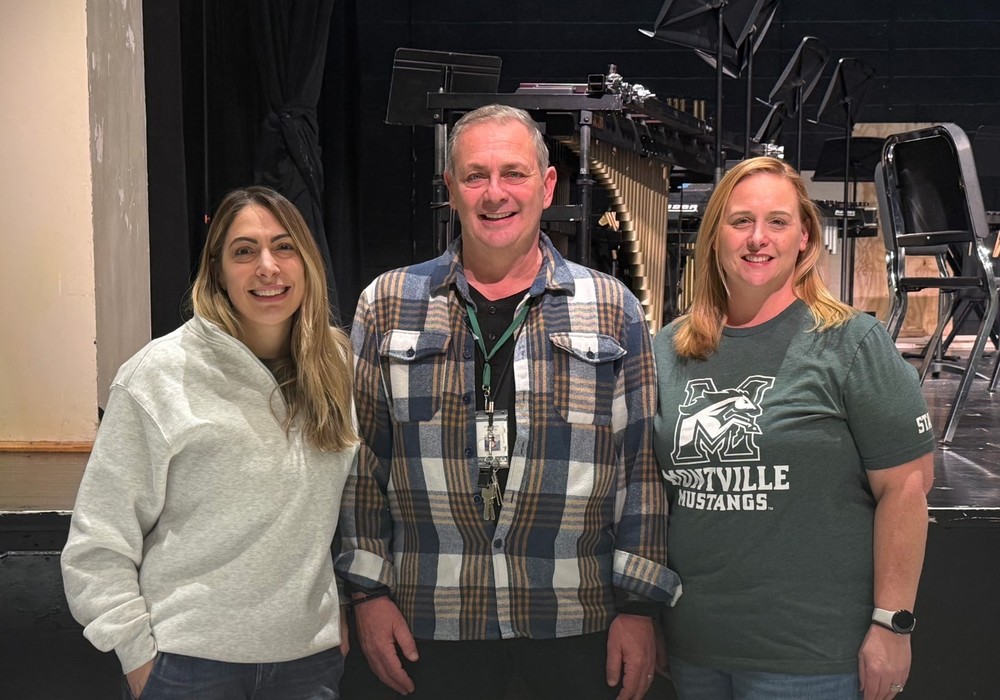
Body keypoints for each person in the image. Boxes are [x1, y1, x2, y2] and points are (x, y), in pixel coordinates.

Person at [335, 104, 680, 700]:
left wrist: (638, 606)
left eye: (513, 173)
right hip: (430, 619)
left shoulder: (610, 306)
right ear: (451, 189)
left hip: (575, 617)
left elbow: (638, 470)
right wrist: (367, 593)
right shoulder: (388, 303)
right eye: (476, 176)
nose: (495, 193)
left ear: (547, 186)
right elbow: (362, 463)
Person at [652, 157, 935, 700]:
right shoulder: (670, 348)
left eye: (777, 222)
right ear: (715, 235)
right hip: (695, 648)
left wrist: (892, 623)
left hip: (811, 656)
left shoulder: (851, 342)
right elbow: (657, 498)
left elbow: (906, 488)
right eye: (741, 221)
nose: (758, 238)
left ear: (804, 236)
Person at [61, 186, 359, 699]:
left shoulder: (335, 366)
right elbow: (98, 543)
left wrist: (341, 611)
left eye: (284, 247)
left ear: (308, 261)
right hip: (187, 666)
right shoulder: (157, 375)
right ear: (217, 270)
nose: (268, 267)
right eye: (244, 251)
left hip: (306, 664)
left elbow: (344, 514)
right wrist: (137, 654)